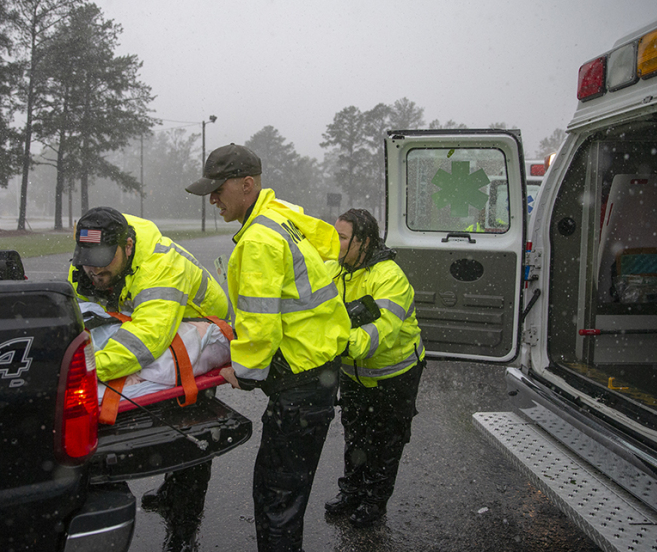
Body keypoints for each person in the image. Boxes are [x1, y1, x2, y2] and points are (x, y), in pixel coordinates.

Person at [185, 143, 351, 552]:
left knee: (277, 499)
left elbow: (260, 324)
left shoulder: (259, 239)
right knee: (288, 493)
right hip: (318, 373)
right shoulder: (280, 218)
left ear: (247, 185)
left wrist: (241, 371)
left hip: (300, 384)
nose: (212, 199)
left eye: (217, 189)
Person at [68, 206, 229, 552]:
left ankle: (184, 529)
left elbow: (145, 341)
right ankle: (171, 492)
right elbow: (82, 316)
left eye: (101, 262)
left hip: (195, 327)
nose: (92, 271)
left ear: (127, 246)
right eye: (86, 261)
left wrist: (82, 369)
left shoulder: (161, 268)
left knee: (191, 436)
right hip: (141, 320)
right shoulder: (87, 261)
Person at [323, 208, 426, 527]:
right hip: (354, 374)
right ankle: (352, 492)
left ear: (364, 241)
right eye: (334, 234)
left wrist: (328, 342)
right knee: (355, 434)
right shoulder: (334, 269)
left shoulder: (389, 276)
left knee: (385, 440)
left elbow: (377, 335)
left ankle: (374, 501)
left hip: (395, 375)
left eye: (341, 237)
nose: (334, 242)